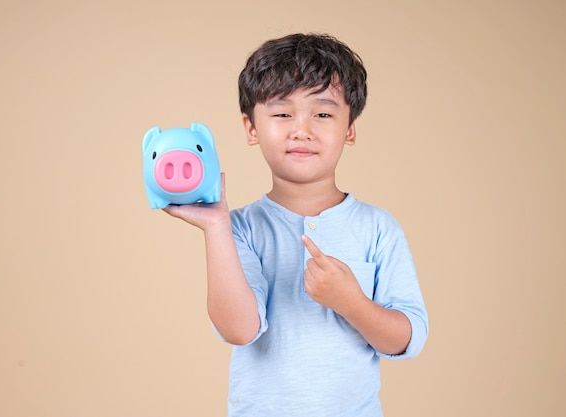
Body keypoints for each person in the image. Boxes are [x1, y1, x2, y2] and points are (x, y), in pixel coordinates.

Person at [163, 33, 428, 417]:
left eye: (322, 113)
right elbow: (240, 330)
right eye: (282, 113)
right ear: (251, 128)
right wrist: (217, 227)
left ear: (349, 128)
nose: (301, 129)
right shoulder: (241, 228)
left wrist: (351, 303)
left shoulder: (378, 227)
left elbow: (407, 339)